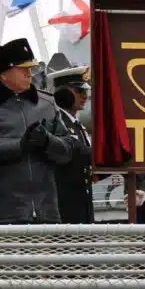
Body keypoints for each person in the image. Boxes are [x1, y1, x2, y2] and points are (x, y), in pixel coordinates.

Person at [0, 39, 74, 289]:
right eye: (23, 69)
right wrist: (19, 146)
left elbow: (67, 150)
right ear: (4, 74)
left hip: (43, 212)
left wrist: (47, 141)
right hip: (3, 215)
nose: (29, 73)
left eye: (30, 68)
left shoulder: (46, 103)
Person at [49, 65, 95, 225]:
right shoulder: (57, 122)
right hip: (64, 204)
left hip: (82, 202)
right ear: (63, 94)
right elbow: (78, 153)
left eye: (86, 91)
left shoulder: (78, 126)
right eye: (79, 91)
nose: (85, 96)